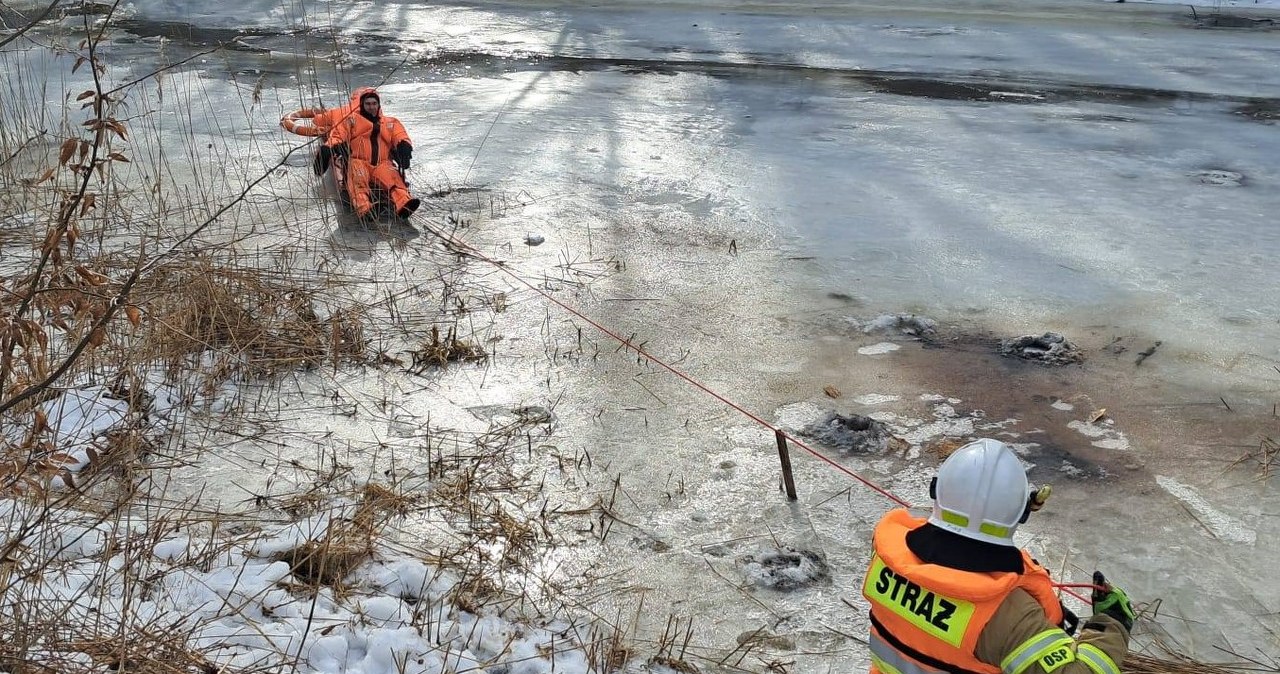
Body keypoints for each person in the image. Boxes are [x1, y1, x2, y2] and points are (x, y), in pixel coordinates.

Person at [861, 438, 1135, 674]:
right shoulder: (1009, 617)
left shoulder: (886, 560)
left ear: (937, 491)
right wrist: (1112, 624)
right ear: (1022, 514)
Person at [316, 87, 420, 220]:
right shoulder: (351, 120)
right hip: (358, 161)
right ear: (362, 105)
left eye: (374, 104)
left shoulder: (390, 122)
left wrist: (404, 145)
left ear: (378, 105)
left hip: (382, 163)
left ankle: (404, 204)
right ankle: (365, 209)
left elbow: (400, 135)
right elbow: (338, 135)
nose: (371, 107)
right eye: (368, 104)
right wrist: (328, 147)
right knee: (358, 183)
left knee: (393, 180)